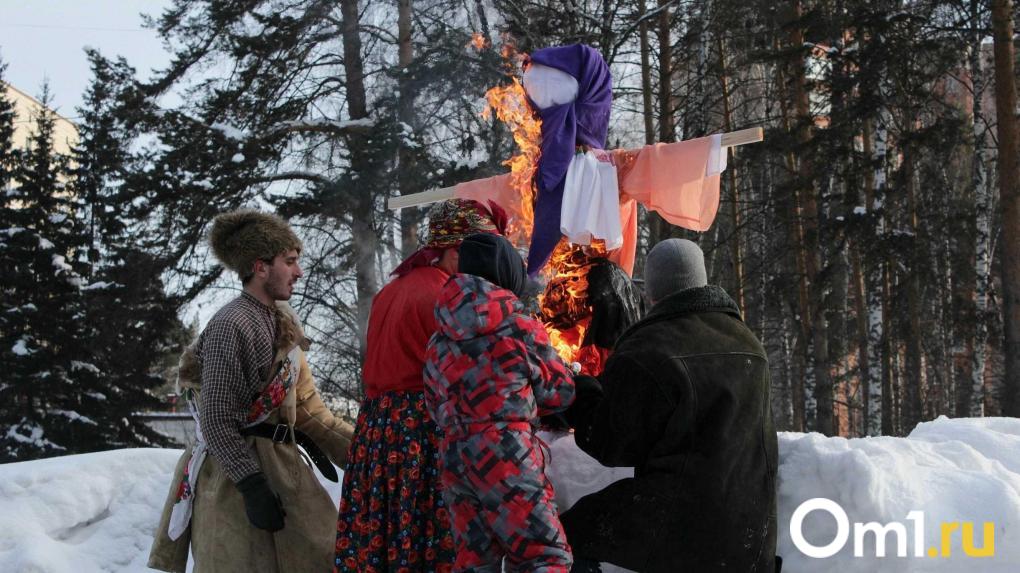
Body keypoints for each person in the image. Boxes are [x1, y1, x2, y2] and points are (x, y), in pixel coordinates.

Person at [149, 209, 355, 573]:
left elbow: (307, 409)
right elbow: (216, 421)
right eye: (289, 261)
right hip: (233, 484)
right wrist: (252, 486)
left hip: (283, 472)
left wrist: (365, 453)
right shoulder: (233, 326)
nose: (299, 271)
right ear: (260, 267)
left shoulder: (283, 323)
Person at [561, 238, 779, 573]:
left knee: (564, 534)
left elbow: (609, 444)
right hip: (752, 533)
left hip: (683, 526)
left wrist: (580, 390)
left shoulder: (648, 348)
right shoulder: (747, 342)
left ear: (651, 292)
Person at [335, 199, 507, 572]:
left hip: (377, 433)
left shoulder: (391, 290)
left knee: (384, 538)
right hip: (421, 433)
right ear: (456, 252)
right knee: (427, 542)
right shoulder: (449, 296)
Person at [424, 233, 576, 573]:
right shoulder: (518, 324)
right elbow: (559, 391)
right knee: (544, 555)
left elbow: (433, 403)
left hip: (455, 457)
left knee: (475, 562)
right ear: (507, 273)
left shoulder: (439, 335)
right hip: (505, 454)